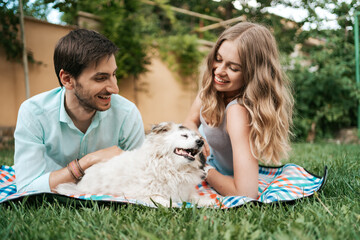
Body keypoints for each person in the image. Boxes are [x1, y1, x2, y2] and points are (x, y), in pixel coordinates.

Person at [13, 29, 145, 193]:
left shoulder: (127, 114)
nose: (115, 88)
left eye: (114, 74)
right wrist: (87, 162)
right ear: (67, 79)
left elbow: (142, 177)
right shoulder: (33, 113)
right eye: (101, 78)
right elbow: (26, 188)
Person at [183, 22, 293, 199]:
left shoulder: (237, 112)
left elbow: (245, 193)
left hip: (216, 173)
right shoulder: (212, 88)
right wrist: (196, 137)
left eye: (233, 68)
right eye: (218, 59)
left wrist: (203, 167)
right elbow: (189, 121)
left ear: (253, 75)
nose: (219, 71)